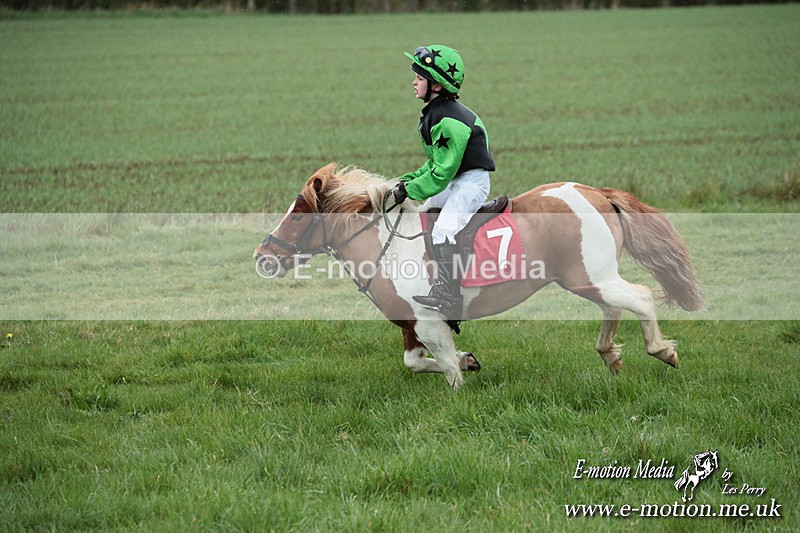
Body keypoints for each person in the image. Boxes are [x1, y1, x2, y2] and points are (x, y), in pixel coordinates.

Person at [392, 45, 496, 318]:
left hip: (470, 183)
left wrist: (411, 191)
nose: (413, 82)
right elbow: (434, 164)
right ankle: (429, 278)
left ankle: (450, 298)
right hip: (455, 180)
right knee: (425, 216)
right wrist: (408, 181)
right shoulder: (435, 113)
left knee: (442, 231)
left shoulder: (449, 120)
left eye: (419, 77)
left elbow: (441, 174)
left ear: (436, 85)